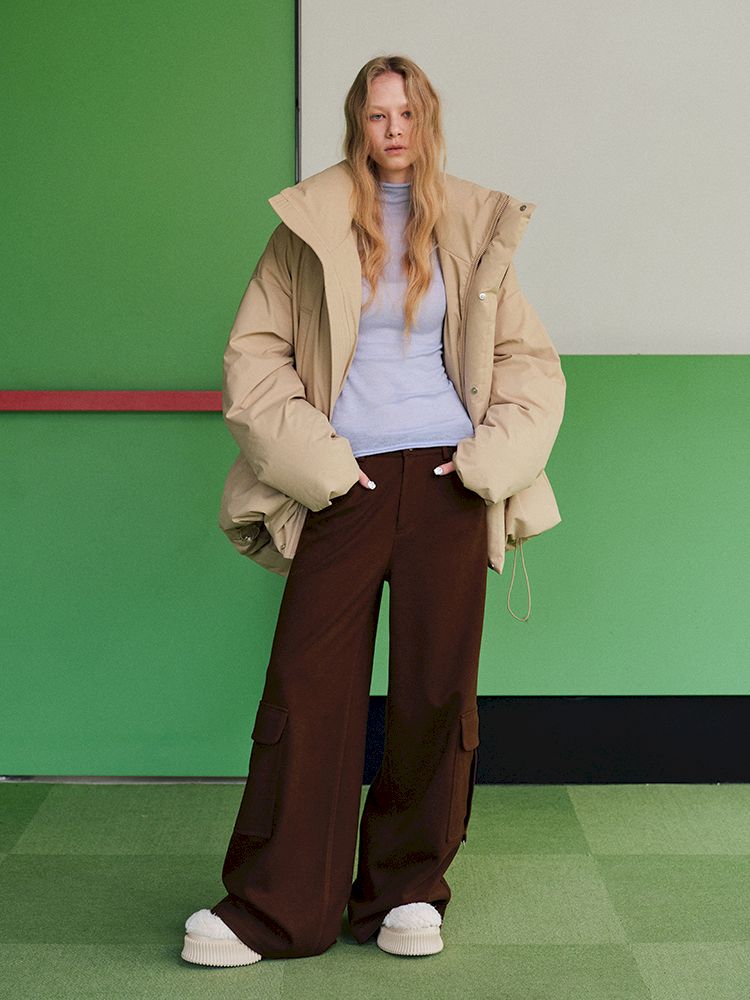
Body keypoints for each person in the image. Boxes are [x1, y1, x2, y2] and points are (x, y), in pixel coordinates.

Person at [181, 54, 566, 967]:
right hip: (343, 481)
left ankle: (406, 891)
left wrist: (484, 463)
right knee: (307, 689)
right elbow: (255, 357)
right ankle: (277, 910)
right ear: (358, 123)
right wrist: (323, 465)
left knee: (436, 693)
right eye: (377, 114)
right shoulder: (307, 225)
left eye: (408, 113)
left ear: (427, 122)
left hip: (446, 481)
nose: (393, 129)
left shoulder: (471, 222)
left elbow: (526, 363)